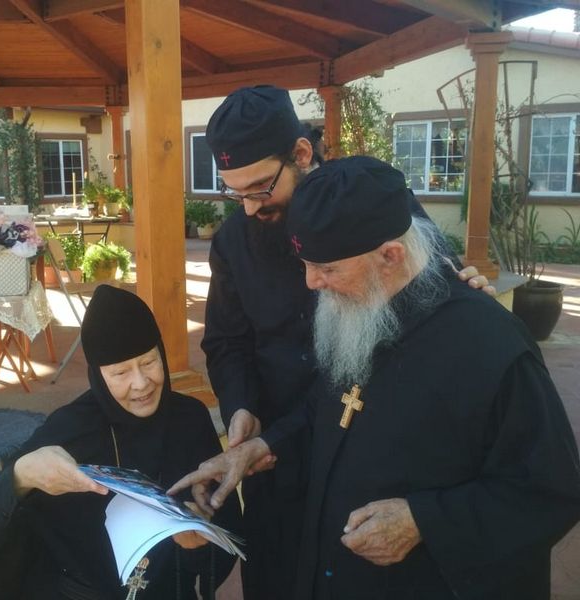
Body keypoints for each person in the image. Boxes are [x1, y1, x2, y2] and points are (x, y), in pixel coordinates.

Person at [172, 156, 580, 599]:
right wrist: (263, 446)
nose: (311, 283)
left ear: (390, 256)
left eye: (327, 268)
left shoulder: (490, 343)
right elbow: (331, 408)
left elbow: (552, 491)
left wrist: (422, 521)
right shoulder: (360, 314)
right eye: (306, 264)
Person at [201, 84, 491, 597]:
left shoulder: (369, 200)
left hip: (372, 449)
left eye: (260, 189)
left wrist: (466, 294)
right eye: (235, 193)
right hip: (276, 448)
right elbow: (227, 341)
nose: (247, 208)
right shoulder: (231, 243)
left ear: (301, 154)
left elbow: (433, 285)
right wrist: (240, 404)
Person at [0, 285, 241, 600]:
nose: (141, 383)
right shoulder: (70, 430)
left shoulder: (190, 420)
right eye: (121, 372)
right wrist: (21, 476)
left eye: (149, 362)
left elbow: (225, 530)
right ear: (98, 375)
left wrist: (198, 542)